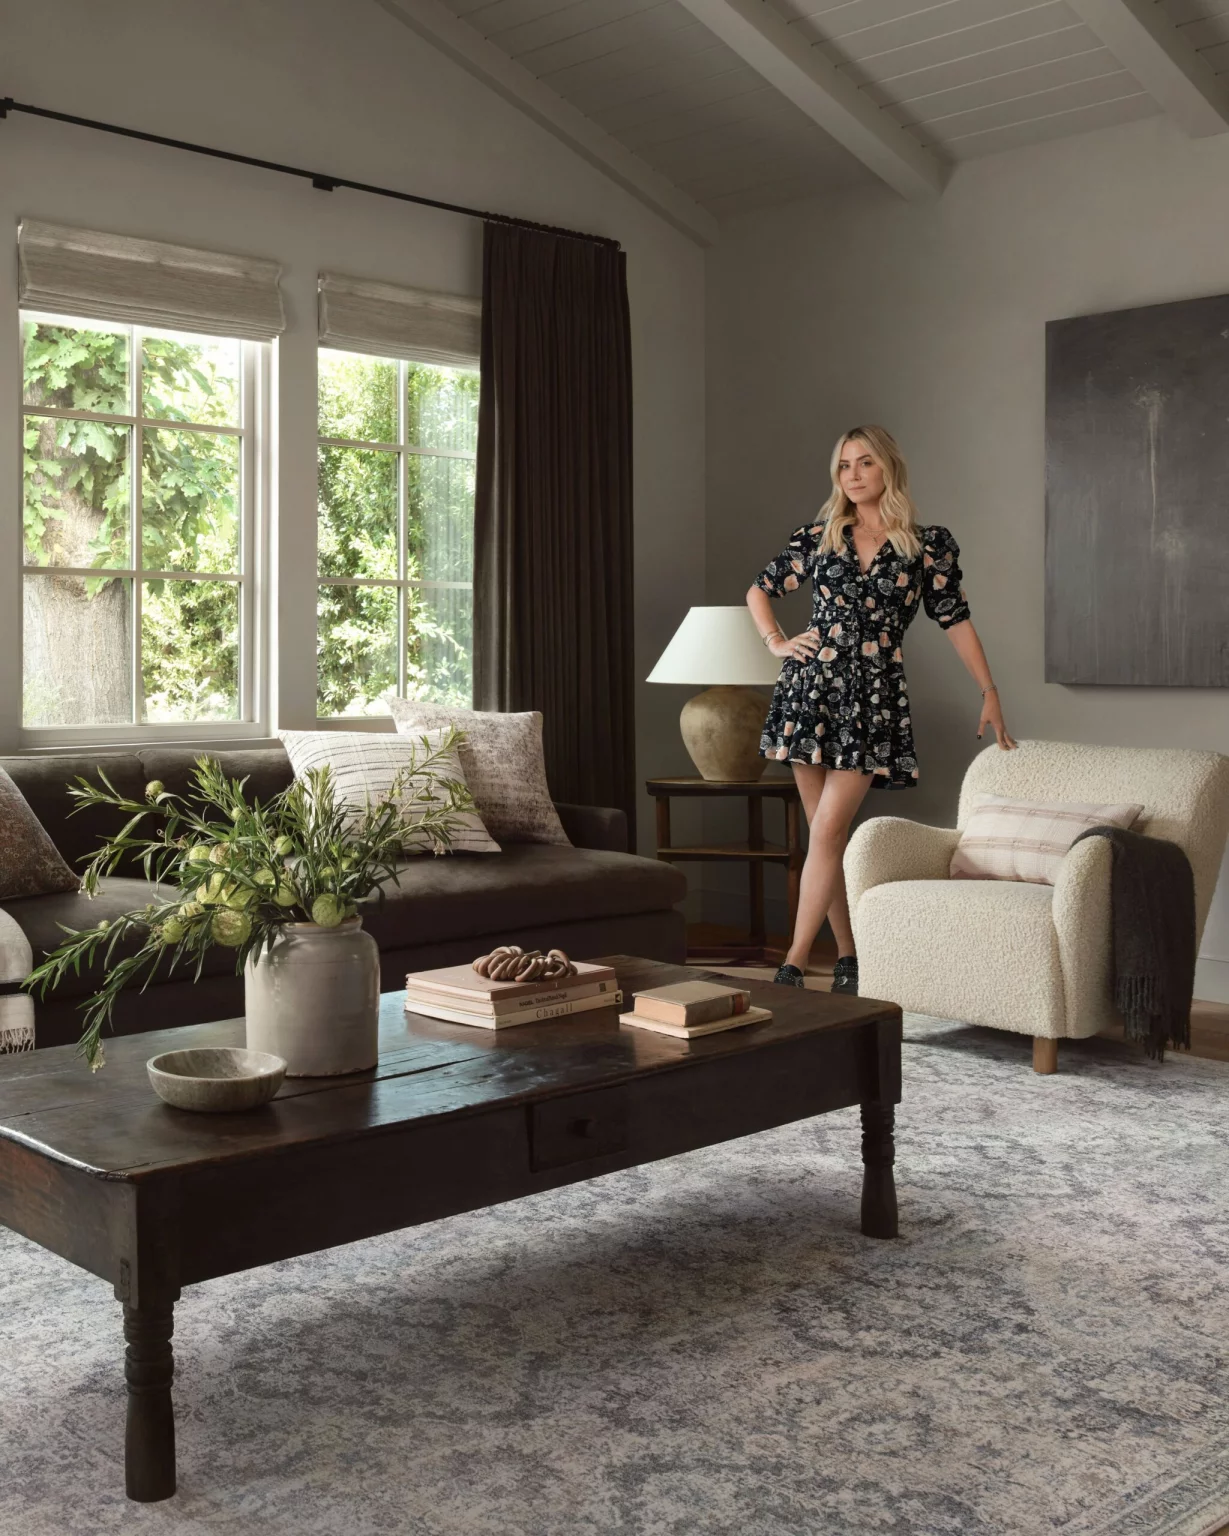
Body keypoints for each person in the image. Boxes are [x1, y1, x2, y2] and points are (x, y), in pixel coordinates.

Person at [745, 425, 1017, 994]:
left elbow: (955, 619)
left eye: (865, 463)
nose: (854, 474)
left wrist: (989, 690)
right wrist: (776, 641)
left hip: (873, 697)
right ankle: (848, 955)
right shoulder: (820, 536)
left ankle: (793, 965)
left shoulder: (927, 545)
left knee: (826, 829)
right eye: (844, 466)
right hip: (810, 690)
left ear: (888, 468)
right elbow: (760, 589)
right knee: (827, 834)